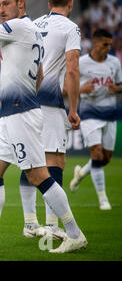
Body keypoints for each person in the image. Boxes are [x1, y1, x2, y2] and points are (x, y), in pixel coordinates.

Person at [0, 0, 86, 253]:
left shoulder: (20, 27)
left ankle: (74, 234)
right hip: (12, 113)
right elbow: (39, 74)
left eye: (5, 4)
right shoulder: (31, 30)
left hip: (21, 113)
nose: (2, 9)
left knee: (38, 175)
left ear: (21, 3)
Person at [18, 0, 81, 240]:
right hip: (51, 102)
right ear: (71, 3)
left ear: (48, 3)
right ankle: (53, 227)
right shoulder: (70, 27)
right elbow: (73, 69)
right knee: (55, 162)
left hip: (25, 99)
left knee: (32, 160)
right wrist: (74, 109)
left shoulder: (32, 23)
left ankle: (31, 224)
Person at [70, 29, 122, 210]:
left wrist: (117, 89)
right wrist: (81, 90)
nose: (108, 48)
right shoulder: (81, 63)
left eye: (110, 44)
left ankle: (81, 172)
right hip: (89, 112)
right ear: (95, 43)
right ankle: (103, 199)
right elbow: (67, 87)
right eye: (104, 44)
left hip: (109, 113)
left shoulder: (115, 62)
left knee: (106, 158)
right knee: (97, 153)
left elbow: (120, 84)